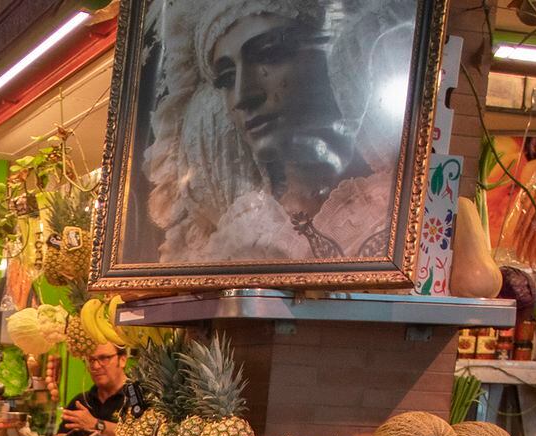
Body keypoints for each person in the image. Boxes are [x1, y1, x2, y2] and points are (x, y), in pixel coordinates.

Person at [145, 0, 415, 262]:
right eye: (227, 78)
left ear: (331, 56)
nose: (243, 96)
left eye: (270, 54)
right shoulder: (244, 230)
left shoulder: (397, 210)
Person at [59, 344, 145, 436]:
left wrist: (96, 424)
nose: (95, 366)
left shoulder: (139, 398)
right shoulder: (80, 402)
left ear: (122, 360)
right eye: (91, 360)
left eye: (104, 358)